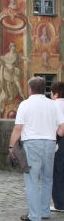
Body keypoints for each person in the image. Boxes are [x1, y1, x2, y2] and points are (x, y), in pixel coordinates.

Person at [9, 76, 64, 221]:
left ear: (30, 89)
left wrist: (11, 146)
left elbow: (18, 128)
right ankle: (45, 211)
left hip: (32, 144)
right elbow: (62, 127)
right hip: (50, 143)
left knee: (32, 180)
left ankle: (34, 215)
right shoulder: (53, 104)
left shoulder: (25, 104)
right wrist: (54, 139)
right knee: (47, 179)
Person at [51, 82, 64, 212]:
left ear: (56, 93)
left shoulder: (54, 104)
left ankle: (59, 203)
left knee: (58, 172)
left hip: (59, 139)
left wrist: (56, 140)